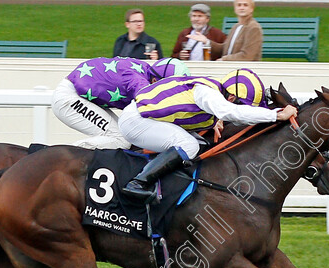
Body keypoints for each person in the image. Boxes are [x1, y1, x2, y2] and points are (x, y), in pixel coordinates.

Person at [119, 68, 297, 199]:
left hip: (142, 117)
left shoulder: (212, 91)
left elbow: (231, 115)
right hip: (136, 122)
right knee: (189, 145)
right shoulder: (207, 92)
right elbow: (232, 113)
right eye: (241, 104)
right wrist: (277, 115)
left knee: (198, 143)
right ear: (232, 98)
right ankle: (138, 183)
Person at [52, 57, 190, 150]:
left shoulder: (147, 70)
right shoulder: (140, 84)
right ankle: (62, 159)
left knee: (124, 135)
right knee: (120, 139)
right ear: (155, 81)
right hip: (69, 98)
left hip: (78, 93)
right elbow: (155, 113)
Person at [186, 0, 262, 61]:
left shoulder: (253, 28)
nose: (241, 8)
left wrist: (224, 59)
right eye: (239, 5)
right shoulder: (236, 26)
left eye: (245, 5)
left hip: (245, 71)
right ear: (235, 8)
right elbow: (225, 48)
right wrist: (207, 41)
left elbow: (247, 56)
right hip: (231, 68)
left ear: (251, 9)